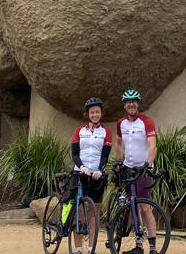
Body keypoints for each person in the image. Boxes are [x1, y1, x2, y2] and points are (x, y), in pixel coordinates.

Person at [115, 89, 158, 254]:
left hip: (142, 169)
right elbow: (119, 143)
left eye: (134, 101)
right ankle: (139, 246)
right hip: (128, 169)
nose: (131, 104)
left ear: (138, 104)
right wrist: (119, 162)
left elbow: (153, 145)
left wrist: (147, 165)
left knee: (145, 208)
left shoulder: (146, 121)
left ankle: (153, 248)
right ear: (125, 105)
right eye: (128, 101)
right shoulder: (121, 123)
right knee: (135, 207)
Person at [71, 97, 113, 254]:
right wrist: (81, 167)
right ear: (87, 114)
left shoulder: (106, 131)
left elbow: (105, 155)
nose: (95, 114)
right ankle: (78, 247)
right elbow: (74, 153)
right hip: (80, 172)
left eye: (98, 112)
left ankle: (91, 248)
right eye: (92, 112)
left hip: (96, 175)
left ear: (101, 113)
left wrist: (100, 170)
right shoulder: (79, 131)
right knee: (80, 210)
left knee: (94, 211)